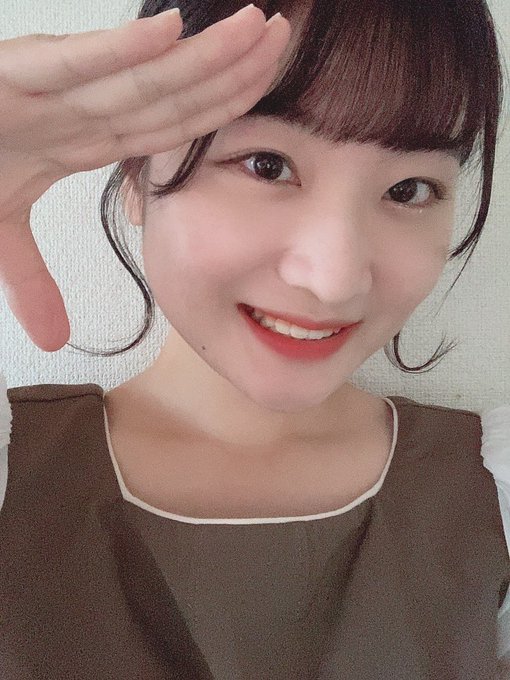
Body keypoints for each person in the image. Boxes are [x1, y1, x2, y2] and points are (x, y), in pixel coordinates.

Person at [0, 1, 508, 678]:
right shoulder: (15, 475)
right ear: (136, 175)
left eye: (409, 189)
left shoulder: (493, 495)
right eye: (267, 165)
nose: (334, 280)